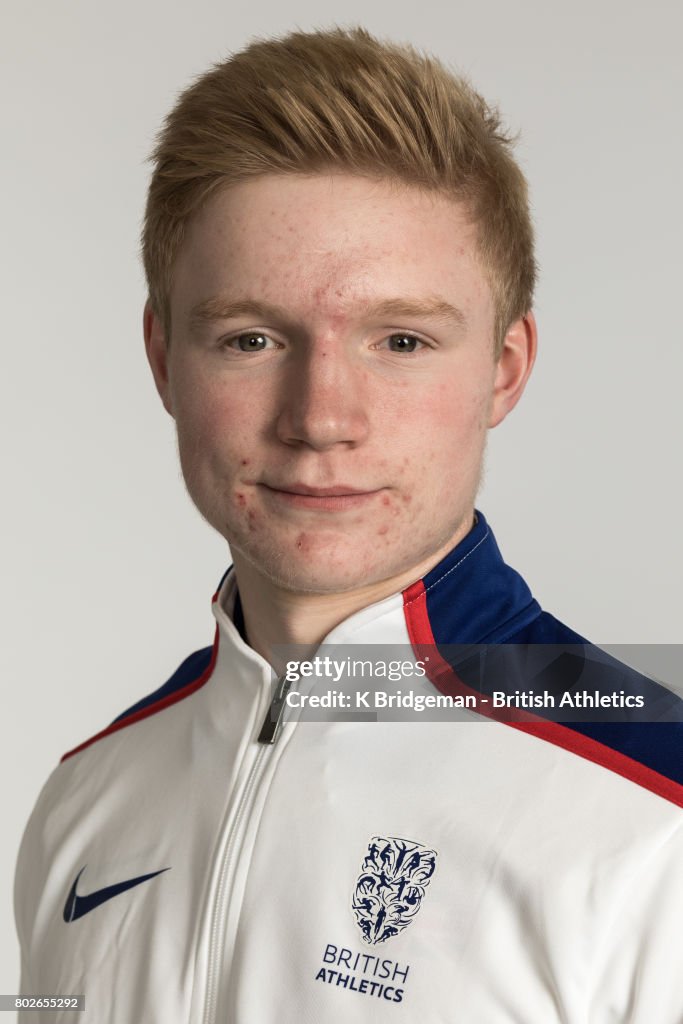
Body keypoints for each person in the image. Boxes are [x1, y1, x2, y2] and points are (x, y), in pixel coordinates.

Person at [14, 25, 682, 1023]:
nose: (320, 417)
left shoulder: (651, 819)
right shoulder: (86, 802)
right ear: (163, 361)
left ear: (502, 368)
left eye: (400, 339)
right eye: (249, 338)